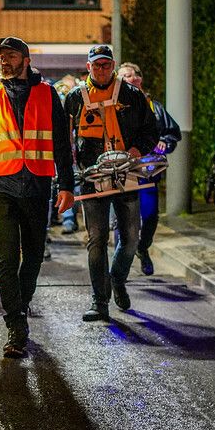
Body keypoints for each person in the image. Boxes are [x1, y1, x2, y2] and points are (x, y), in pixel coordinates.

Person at [0, 37, 75, 358]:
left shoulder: (47, 93)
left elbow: (61, 144)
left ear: (25, 59)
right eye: (1, 56)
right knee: (7, 258)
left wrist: (67, 186)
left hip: (37, 183)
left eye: (10, 55)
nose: (4, 60)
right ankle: (16, 326)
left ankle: (20, 304)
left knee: (34, 254)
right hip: (1, 183)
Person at [64, 45, 158, 322]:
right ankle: (99, 300)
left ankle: (116, 278)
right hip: (92, 178)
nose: (101, 69)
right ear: (89, 66)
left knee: (131, 239)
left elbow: (150, 130)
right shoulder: (75, 98)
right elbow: (63, 137)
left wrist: (137, 150)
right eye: (96, 65)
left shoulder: (132, 95)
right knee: (97, 239)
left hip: (126, 172)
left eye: (106, 65)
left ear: (113, 65)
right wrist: (69, 172)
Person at [118, 62, 181, 276]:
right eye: (123, 76)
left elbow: (172, 132)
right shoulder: (112, 106)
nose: (129, 79)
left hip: (147, 172)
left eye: (132, 75)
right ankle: (120, 273)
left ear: (140, 79)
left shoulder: (154, 107)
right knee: (124, 221)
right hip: (123, 172)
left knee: (151, 215)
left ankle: (142, 248)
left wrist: (164, 141)